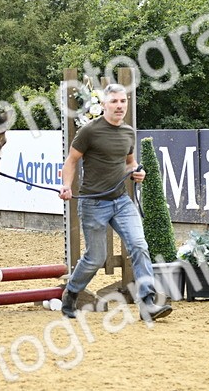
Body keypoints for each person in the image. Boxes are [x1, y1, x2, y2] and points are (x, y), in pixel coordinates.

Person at [58, 84, 172, 321]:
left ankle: (147, 302)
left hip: (121, 201)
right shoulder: (89, 131)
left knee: (139, 245)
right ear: (104, 105)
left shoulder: (128, 132)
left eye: (123, 101)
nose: (119, 106)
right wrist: (67, 186)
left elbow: (130, 162)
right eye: (114, 102)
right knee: (95, 258)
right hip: (93, 203)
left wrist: (137, 171)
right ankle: (72, 293)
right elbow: (71, 161)